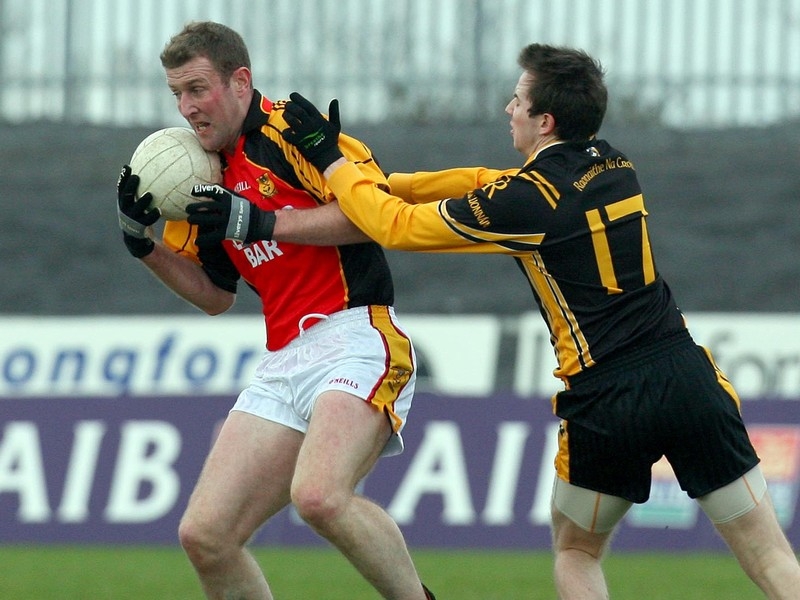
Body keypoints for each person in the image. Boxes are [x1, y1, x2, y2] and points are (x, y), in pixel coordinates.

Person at [274, 43, 800, 599]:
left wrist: (331, 161)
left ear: (544, 121)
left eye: (518, 100)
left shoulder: (527, 202)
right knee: (769, 555)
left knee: (576, 551)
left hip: (604, 397)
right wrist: (376, 178)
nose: (508, 108)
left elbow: (396, 228)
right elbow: (484, 180)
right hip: (685, 377)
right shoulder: (614, 163)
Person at [115, 21, 435, 600]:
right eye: (177, 94)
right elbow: (215, 294)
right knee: (205, 535)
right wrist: (145, 246)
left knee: (319, 496)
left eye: (197, 88)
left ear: (241, 81)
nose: (187, 107)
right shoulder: (197, 172)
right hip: (286, 357)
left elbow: (375, 213)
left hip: (357, 334)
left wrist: (262, 221)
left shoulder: (293, 128)